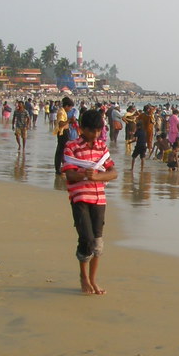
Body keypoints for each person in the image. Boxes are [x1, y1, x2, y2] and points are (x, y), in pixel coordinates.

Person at [61, 108, 117, 296]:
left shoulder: (102, 148)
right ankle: (83, 277)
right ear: (82, 129)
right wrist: (84, 174)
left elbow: (113, 172)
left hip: (99, 198)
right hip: (80, 198)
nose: (95, 134)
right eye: (92, 130)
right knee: (86, 238)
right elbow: (69, 173)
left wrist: (97, 177)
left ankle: (93, 279)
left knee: (98, 242)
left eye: (98, 131)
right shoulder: (72, 147)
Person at [54, 97, 77, 175]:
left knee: (63, 150)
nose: (70, 109)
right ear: (67, 106)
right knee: (61, 151)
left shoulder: (63, 111)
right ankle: (58, 169)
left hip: (65, 131)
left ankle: (62, 167)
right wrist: (69, 120)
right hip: (62, 133)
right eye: (70, 107)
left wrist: (70, 122)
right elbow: (61, 124)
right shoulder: (61, 112)